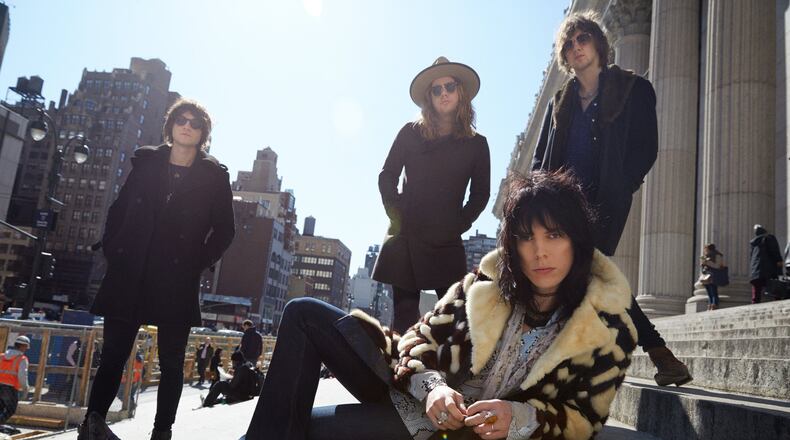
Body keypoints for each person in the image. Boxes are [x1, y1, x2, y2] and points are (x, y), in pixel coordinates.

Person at [243, 170, 637, 440]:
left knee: (288, 427)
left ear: (576, 241)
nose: (540, 252)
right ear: (512, 245)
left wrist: (519, 418)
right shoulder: (483, 287)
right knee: (302, 313)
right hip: (413, 395)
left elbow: (584, 421)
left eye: (554, 235)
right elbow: (419, 338)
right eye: (525, 237)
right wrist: (432, 387)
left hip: (453, 432)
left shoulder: (607, 328)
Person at [531, 11, 691, 387]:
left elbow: (646, 147)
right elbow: (541, 157)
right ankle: (660, 358)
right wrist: (538, 194)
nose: (576, 48)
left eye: (582, 39)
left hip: (604, 202)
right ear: (564, 57)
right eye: (568, 45)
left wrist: (624, 184)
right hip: (561, 205)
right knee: (590, 277)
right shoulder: (560, 101)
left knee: (586, 273)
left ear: (598, 44)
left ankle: (641, 357)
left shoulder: (632, 88)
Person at [78, 98, 235, 440]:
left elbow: (226, 230)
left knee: (173, 362)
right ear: (171, 125)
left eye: (195, 122)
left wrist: (197, 262)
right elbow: (118, 209)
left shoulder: (214, 176)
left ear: (203, 133)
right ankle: (92, 426)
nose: (187, 125)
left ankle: (161, 432)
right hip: (130, 270)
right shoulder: (146, 162)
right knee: (114, 355)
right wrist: (114, 248)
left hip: (176, 278)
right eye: (182, 119)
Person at [373, 56, 491, 334]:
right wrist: (397, 214)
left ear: (460, 92)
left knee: (457, 318)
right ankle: (401, 375)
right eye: (436, 90)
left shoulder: (477, 145)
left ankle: (453, 377)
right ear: (429, 97)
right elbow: (386, 175)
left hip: (446, 241)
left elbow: (481, 195)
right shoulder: (409, 133)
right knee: (403, 318)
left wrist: (457, 224)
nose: (444, 94)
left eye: (449, 86)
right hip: (406, 237)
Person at [0, 336, 30, 425]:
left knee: (0, 408)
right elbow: (22, 376)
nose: (26, 349)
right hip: (10, 388)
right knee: (10, 410)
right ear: (22, 346)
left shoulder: (1, 356)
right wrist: (25, 389)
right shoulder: (22, 359)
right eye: (26, 347)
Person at [749, 224, 783, 303]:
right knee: (775, 286)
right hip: (769, 268)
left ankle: (755, 303)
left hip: (756, 270)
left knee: (756, 289)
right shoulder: (769, 237)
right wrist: (779, 260)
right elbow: (774, 250)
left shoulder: (753, 243)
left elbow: (751, 257)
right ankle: (777, 302)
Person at [698, 244, 725, 311]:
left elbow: (717, 266)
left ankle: (715, 304)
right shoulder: (706, 256)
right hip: (706, 276)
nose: (705, 251)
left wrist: (707, 263)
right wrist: (703, 264)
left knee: (713, 291)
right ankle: (710, 304)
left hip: (713, 275)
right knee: (709, 292)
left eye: (706, 249)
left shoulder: (717, 255)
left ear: (709, 249)